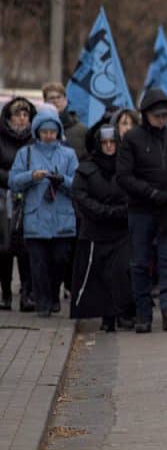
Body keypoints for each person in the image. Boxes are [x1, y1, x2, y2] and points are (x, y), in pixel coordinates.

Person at [116, 89, 167, 333]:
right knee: (140, 262)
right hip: (142, 210)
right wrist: (152, 194)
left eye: (165, 116)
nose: (162, 120)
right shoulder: (132, 138)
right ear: (146, 114)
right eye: (157, 116)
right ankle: (143, 314)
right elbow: (124, 176)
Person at [9, 108, 79, 317]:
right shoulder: (25, 154)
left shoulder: (68, 154)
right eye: (44, 132)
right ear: (37, 131)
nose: (49, 136)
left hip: (62, 220)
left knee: (59, 261)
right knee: (38, 264)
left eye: (52, 131)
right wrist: (32, 176)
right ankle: (42, 302)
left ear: (58, 131)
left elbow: (79, 185)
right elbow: (13, 181)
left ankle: (53, 294)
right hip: (35, 219)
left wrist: (62, 180)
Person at [70, 121, 134, 331]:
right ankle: (107, 316)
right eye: (104, 142)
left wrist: (121, 212)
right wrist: (104, 212)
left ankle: (123, 312)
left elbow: (133, 192)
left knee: (121, 272)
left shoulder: (127, 166)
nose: (108, 146)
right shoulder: (86, 168)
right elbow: (80, 196)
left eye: (112, 142)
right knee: (99, 276)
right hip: (95, 232)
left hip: (121, 231)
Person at [0, 97, 36, 311]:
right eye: (18, 115)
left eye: (26, 115)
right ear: (9, 117)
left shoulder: (34, 139)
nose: (22, 119)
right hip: (3, 197)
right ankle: (5, 292)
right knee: (4, 248)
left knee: (25, 248)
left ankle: (26, 293)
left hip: (28, 197)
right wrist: (14, 178)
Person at [41, 82, 87, 159]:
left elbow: (87, 159)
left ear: (65, 100)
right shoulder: (36, 129)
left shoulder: (81, 130)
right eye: (52, 98)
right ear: (45, 101)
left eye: (59, 97)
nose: (55, 101)